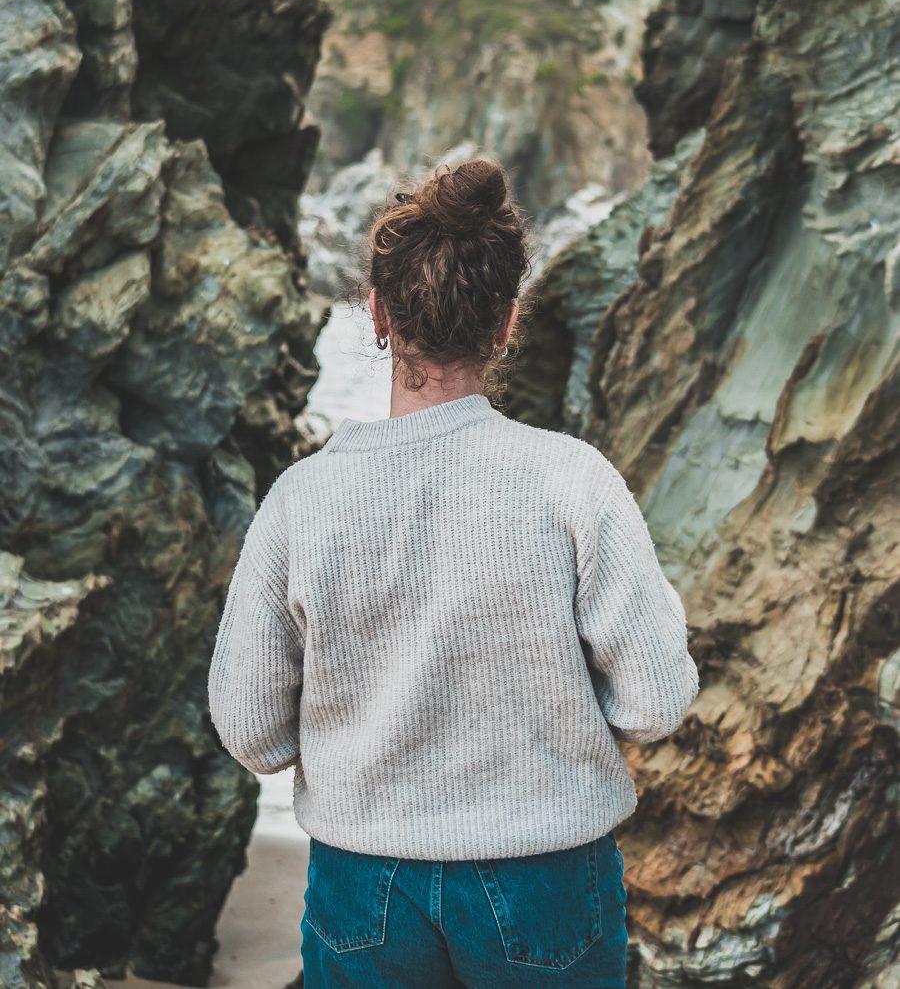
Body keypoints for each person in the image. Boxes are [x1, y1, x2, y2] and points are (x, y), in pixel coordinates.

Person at [208, 156, 700, 988]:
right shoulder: (573, 481)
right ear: (507, 322)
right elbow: (655, 701)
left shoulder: (304, 498)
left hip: (364, 881)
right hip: (544, 873)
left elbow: (251, 729)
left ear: (377, 314)